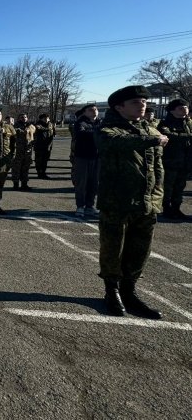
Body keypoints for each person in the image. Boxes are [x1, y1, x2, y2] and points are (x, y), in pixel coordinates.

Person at [97, 85, 167, 319]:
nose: (142, 105)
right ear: (119, 107)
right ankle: (112, 290)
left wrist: (157, 195)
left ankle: (130, 290)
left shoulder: (150, 129)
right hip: (117, 200)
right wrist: (153, 139)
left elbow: (157, 168)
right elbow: (116, 142)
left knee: (140, 249)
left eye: (144, 102)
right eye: (135, 102)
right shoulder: (108, 129)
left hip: (148, 201)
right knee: (113, 248)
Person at [157, 99, 192, 220]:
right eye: (181, 108)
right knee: (168, 187)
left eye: (186, 107)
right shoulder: (165, 124)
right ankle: (167, 209)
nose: (185, 110)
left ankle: (176, 208)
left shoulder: (188, 123)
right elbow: (170, 136)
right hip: (170, 161)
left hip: (185, 161)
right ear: (172, 111)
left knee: (180, 187)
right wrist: (188, 136)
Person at [73, 103, 100, 218]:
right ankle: (80, 206)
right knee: (81, 183)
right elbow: (81, 134)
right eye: (90, 110)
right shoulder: (80, 122)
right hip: (82, 157)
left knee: (94, 183)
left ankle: (90, 206)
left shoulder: (101, 123)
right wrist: (98, 133)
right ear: (85, 112)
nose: (94, 111)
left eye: (95, 109)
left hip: (97, 157)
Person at [11, 113, 35, 191]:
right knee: (16, 168)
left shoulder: (30, 126)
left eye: (25, 117)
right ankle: (16, 184)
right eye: (21, 117)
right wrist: (24, 131)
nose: (24, 118)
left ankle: (24, 184)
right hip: (18, 151)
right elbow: (16, 131)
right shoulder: (15, 126)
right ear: (18, 118)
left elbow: (33, 133)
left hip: (27, 151)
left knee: (25, 168)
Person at [34, 113, 55, 179]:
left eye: (48, 118)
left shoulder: (51, 124)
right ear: (41, 119)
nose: (46, 119)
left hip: (48, 146)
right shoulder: (38, 124)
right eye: (45, 118)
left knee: (45, 160)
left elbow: (53, 133)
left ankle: (43, 173)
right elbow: (40, 129)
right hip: (39, 146)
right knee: (39, 161)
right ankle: (39, 173)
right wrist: (48, 128)